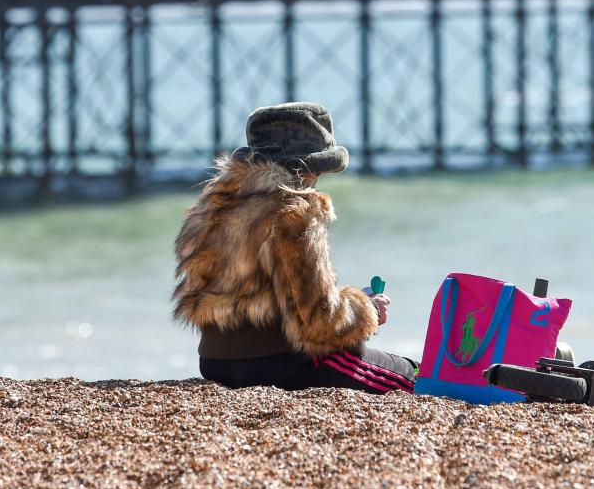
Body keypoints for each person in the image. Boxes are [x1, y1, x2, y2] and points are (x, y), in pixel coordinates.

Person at [172, 102, 417, 393]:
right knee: (413, 374)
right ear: (311, 168)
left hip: (214, 361)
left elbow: (269, 300)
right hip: (281, 363)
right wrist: (369, 310)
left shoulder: (213, 204)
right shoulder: (293, 209)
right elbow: (320, 322)